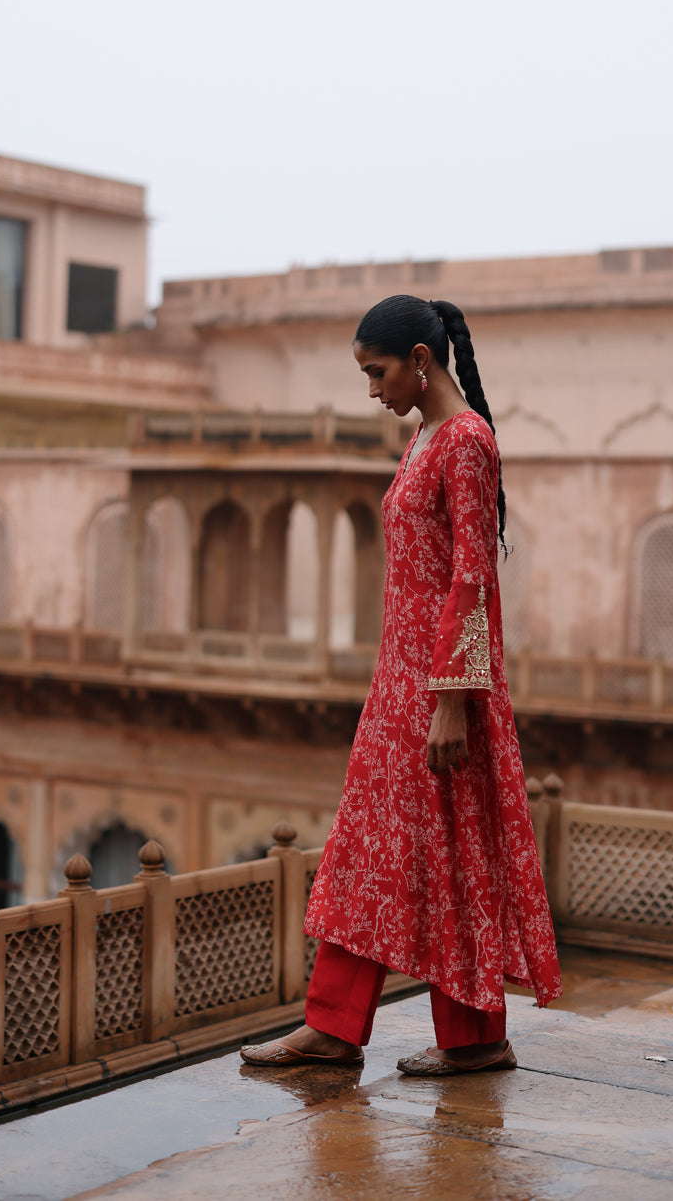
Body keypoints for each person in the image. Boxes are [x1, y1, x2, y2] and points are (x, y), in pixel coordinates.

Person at [240, 295, 561, 1075]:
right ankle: (341, 1026)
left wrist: (452, 697)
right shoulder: (425, 439)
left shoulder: (467, 442)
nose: (372, 389)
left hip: (443, 688)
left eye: (377, 371)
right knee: (369, 849)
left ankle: (473, 1035)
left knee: (447, 852)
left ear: (421, 360)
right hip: (402, 682)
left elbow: (472, 577)